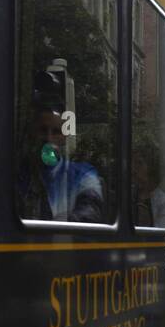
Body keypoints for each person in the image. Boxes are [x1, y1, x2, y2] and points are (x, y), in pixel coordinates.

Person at [19, 69, 104, 223]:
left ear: (64, 137)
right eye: (43, 130)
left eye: (56, 132)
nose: (49, 138)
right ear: (32, 132)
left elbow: (90, 212)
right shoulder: (21, 174)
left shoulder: (83, 175)